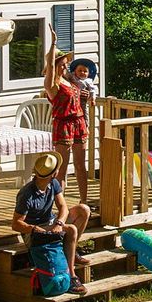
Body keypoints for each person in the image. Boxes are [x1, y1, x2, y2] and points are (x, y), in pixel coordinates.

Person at [11, 151, 91, 295]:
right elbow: (16, 224)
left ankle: (70, 252)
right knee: (72, 229)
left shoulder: (52, 184)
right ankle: (72, 276)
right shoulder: (27, 194)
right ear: (52, 173)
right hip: (35, 231)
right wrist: (36, 229)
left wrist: (59, 223)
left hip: (51, 222)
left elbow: (63, 207)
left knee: (83, 210)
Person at [44, 28, 90, 202]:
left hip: (79, 123)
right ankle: (60, 206)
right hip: (63, 124)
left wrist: (84, 96)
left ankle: (84, 201)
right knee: (61, 169)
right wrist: (53, 43)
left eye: (65, 63)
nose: (65, 66)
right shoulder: (52, 85)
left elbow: (77, 97)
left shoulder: (70, 81)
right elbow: (49, 66)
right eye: (62, 64)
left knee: (80, 166)